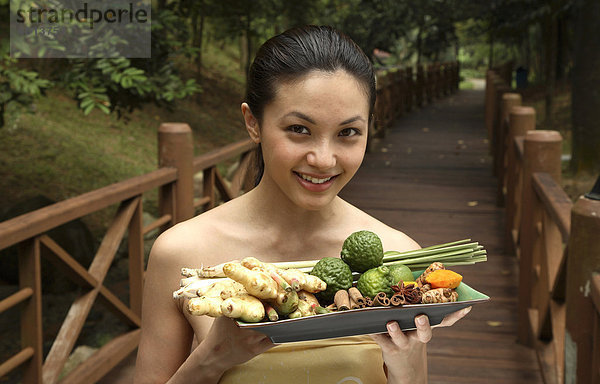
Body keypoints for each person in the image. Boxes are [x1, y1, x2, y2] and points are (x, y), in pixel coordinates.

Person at [134, 25, 470, 384]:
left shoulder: (397, 257)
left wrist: (406, 365)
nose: (324, 159)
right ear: (253, 123)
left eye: (347, 132)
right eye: (299, 129)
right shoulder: (183, 253)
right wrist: (209, 361)